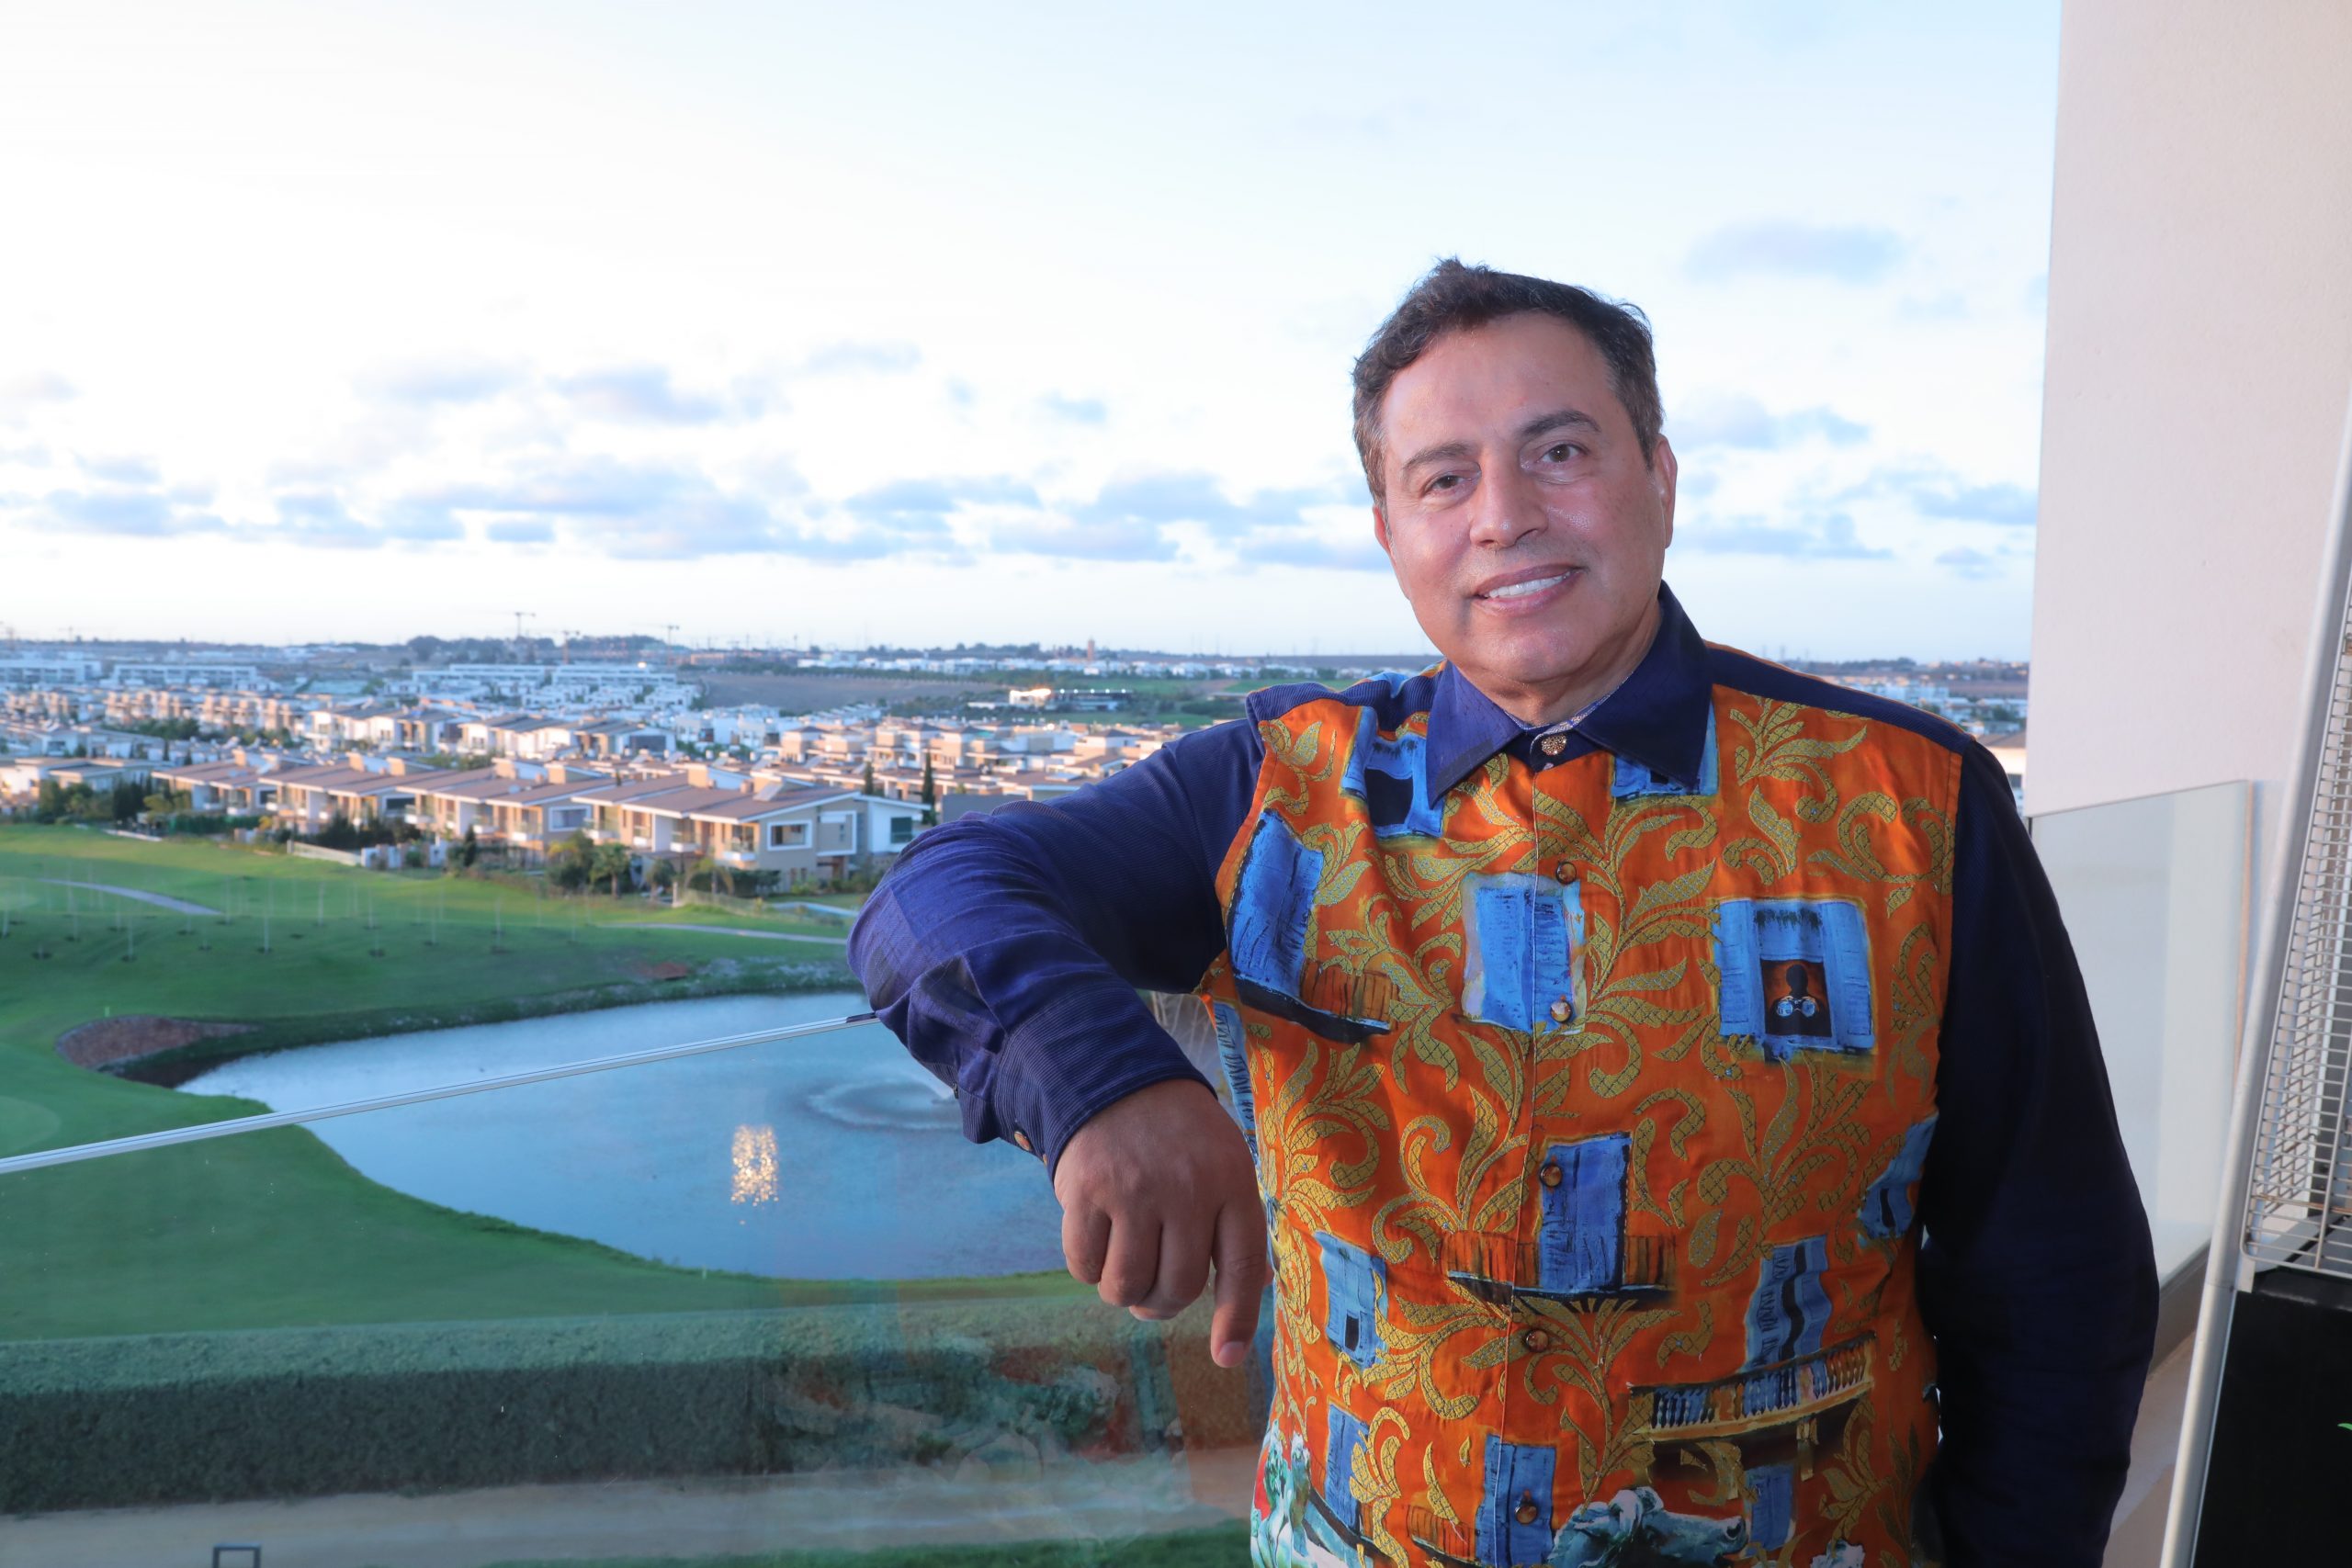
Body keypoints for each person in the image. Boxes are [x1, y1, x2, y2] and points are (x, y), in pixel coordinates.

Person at [850, 259, 2155, 1567]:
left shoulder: (1912, 801)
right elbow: (932, 894)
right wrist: (1103, 1085)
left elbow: (2056, 1277)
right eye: (1443, 479)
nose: (1504, 517)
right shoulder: (1278, 786)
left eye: (1559, 452)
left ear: (1661, 479)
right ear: (1389, 532)